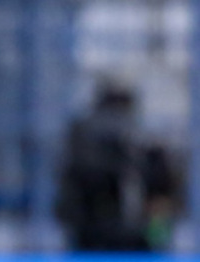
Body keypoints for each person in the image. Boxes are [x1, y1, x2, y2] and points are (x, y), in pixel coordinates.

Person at [54, 79, 181, 252]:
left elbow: (164, 196)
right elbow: (74, 192)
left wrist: (157, 231)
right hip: (91, 234)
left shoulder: (148, 150)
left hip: (141, 240)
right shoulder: (83, 143)